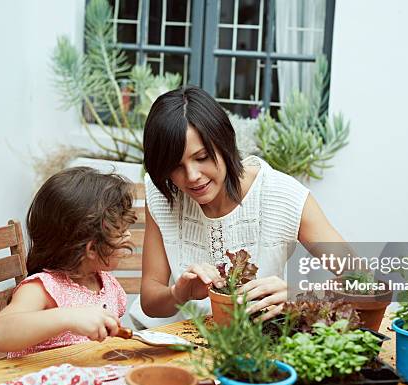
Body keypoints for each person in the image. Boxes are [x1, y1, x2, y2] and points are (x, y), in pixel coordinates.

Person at [129, 85, 347, 329]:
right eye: (175, 166)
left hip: (256, 344)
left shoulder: (283, 195)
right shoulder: (164, 195)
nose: (192, 176)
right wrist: (180, 293)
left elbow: (363, 281)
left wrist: (301, 295)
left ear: (224, 143)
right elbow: (150, 301)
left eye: (202, 158)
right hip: (177, 342)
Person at [0, 167, 137, 357]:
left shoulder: (106, 284)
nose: (129, 234)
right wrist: (68, 316)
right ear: (91, 248)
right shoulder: (43, 288)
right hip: (40, 383)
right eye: (121, 231)